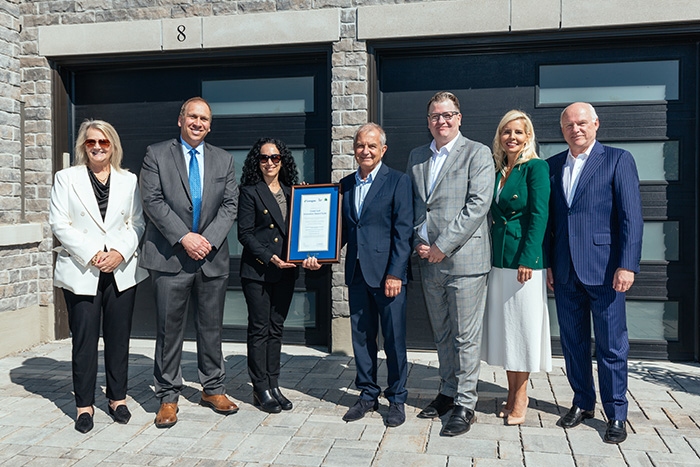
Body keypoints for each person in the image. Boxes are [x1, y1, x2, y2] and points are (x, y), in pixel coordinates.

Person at [140, 97, 240, 428]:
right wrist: (185, 237)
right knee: (169, 331)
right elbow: (152, 200)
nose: (198, 123)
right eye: (193, 116)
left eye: (205, 119)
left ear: (210, 125)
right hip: (170, 257)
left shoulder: (224, 160)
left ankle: (213, 388)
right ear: (180, 119)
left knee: (211, 328)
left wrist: (206, 240)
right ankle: (168, 396)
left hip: (210, 257)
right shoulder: (156, 154)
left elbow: (229, 205)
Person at [547, 102, 643, 444]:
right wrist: (548, 264)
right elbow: (551, 223)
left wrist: (628, 264)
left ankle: (616, 413)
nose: (576, 128)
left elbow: (631, 217)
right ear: (562, 129)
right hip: (565, 271)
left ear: (596, 124)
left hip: (606, 272)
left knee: (611, 346)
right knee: (573, 344)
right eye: (570, 124)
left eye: (582, 122)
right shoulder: (552, 165)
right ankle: (582, 402)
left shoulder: (618, 160)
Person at [49, 119, 148, 433]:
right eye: (91, 142)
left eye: (103, 142)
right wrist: (93, 253)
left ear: (113, 146)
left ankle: (117, 399)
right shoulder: (66, 178)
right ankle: (84, 406)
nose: (97, 147)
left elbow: (138, 223)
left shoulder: (129, 180)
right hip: (83, 269)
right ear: (83, 145)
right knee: (84, 340)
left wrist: (119, 252)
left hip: (121, 269)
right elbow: (59, 223)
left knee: (119, 339)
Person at [406, 91, 495, 436]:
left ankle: (466, 404)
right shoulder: (417, 157)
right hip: (429, 260)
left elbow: (478, 205)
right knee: (441, 332)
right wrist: (420, 240)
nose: (440, 121)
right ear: (427, 121)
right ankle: (446, 392)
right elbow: (416, 206)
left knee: (465, 337)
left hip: (465, 260)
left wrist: (442, 245)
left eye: (447, 115)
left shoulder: (477, 152)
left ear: (459, 118)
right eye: (434, 116)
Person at [337, 123, 413, 427]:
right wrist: (314, 254)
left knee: (394, 340)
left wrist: (396, 273)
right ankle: (367, 394)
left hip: (387, 277)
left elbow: (403, 231)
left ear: (383, 150)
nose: (364, 151)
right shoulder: (344, 185)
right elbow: (340, 230)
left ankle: (397, 398)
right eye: (359, 145)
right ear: (354, 149)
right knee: (362, 338)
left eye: (371, 146)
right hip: (356, 273)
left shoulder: (398, 181)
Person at [481, 110, 552, 426]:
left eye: (518, 132)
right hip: (498, 261)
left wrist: (528, 258)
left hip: (523, 263)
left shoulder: (536, 167)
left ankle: (521, 398)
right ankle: (510, 395)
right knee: (507, 332)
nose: (511, 137)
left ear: (528, 136)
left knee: (522, 332)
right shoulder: (499, 170)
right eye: (506, 132)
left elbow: (539, 216)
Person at [238, 138, 300, 414]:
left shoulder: (294, 192)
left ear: (283, 160)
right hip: (259, 271)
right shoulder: (250, 192)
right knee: (259, 329)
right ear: (257, 162)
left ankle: (274, 384)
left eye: (275, 158)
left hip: (287, 271)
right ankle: (259, 386)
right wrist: (269, 256)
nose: (270, 163)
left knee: (276, 328)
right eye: (264, 158)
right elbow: (245, 234)